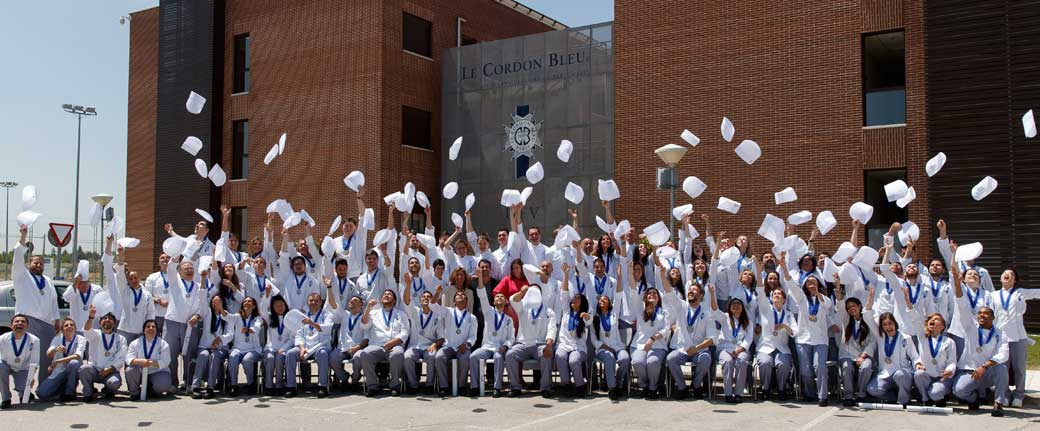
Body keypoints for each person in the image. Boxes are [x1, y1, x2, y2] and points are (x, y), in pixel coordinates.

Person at [952, 269, 1010, 416]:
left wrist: (985, 366)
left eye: (985, 313)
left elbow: (1003, 354)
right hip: (971, 371)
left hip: (988, 372)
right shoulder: (970, 326)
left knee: (1002, 368)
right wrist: (958, 284)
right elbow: (961, 304)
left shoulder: (1000, 333)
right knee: (958, 391)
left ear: (993, 316)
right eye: (979, 313)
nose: (981, 316)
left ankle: (998, 404)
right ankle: (973, 399)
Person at [779, 253, 832, 406]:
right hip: (803, 339)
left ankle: (823, 396)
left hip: (821, 339)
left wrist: (819, 294)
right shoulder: (801, 298)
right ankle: (810, 393)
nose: (811, 284)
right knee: (806, 370)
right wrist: (783, 267)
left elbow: (827, 306)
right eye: (808, 282)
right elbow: (790, 284)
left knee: (819, 366)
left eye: (813, 282)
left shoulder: (824, 299)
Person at [12, 226, 61, 384]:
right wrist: (23, 237)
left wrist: (57, 320)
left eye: (41, 263)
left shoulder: (48, 281)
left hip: (47, 323)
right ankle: (23, 389)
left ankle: (43, 388)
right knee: (26, 356)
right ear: (29, 263)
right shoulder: (22, 275)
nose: (39, 265)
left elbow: (54, 302)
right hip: (28, 320)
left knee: (47, 355)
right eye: (35, 263)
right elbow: (18, 257)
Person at [988, 268, 1039, 407]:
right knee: (1003, 368)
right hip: (1001, 338)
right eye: (1004, 273)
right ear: (1000, 278)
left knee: (1019, 368)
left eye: (1010, 274)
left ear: (1014, 280)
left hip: (1018, 337)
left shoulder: (1020, 293)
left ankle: (1019, 395)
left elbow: (1037, 292)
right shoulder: (993, 295)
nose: (1007, 275)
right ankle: (1004, 394)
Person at [863, 285, 916, 406]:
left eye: (890, 323)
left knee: (900, 375)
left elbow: (914, 356)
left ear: (895, 323)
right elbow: (867, 317)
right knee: (872, 390)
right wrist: (870, 298)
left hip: (902, 372)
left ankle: (903, 400)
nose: (888, 327)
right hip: (885, 373)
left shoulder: (905, 337)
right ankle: (893, 396)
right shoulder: (880, 336)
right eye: (885, 324)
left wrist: (917, 364)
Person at [161, 252, 208, 391]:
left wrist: (197, 316)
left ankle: (188, 383)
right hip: (173, 322)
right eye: (185, 268)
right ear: (179, 272)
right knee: (171, 354)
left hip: (190, 324)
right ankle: (172, 383)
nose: (189, 269)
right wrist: (174, 259)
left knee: (189, 355)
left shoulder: (199, 285)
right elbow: (170, 269)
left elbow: (202, 304)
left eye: (191, 268)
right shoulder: (174, 282)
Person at [752, 262, 796, 401]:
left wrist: (784, 326)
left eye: (779, 294)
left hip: (782, 347)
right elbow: (759, 290)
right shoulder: (766, 309)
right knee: (765, 363)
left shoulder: (788, 315)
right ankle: (765, 389)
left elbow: (794, 332)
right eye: (774, 294)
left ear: (783, 299)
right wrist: (759, 273)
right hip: (766, 346)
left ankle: (782, 389)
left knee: (783, 364)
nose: (776, 295)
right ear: (771, 298)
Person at [505, 284, 556, 398]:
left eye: (535, 292)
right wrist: (522, 292)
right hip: (523, 344)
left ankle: (545, 388)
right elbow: (512, 299)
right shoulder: (523, 307)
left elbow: (552, 329)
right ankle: (515, 387)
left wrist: (548, 345)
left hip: (540, 344)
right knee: (510, 354)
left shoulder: (548, 311)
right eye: (530, 292)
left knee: (547, 354)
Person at [550, 265, 591, 397]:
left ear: (582, 302)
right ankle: (565, 383)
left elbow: (589, 321)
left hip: (578, 348)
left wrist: (587, 316)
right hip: (564, 345)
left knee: (573, 360)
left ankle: (580, 386)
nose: (574, 300)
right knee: (560, 356)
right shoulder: (567, 312)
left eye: (577, 299)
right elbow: (564, 293)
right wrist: (566, 275)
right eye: (573, 299)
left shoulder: (584, 315)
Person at [470, 275, 515, 397]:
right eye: (497, 296)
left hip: (499, 348)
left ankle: (497, 387)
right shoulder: (488, 311)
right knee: (473, 356)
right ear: (494, 301)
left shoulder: (509, 320)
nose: (499, 297)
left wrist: (505, 346)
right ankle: (475, 386)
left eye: (502, 296)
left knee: (499, 358)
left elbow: (511, 338)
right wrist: (480, 278)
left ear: (506, 302)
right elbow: (483, 295)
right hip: (487, 346)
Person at [359, 289, 409, 397]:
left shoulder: (401, 314)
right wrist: (368, 307)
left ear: (394, 301)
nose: (386, 295)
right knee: (365, 354)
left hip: (394, 345)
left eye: (389, 294)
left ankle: (395, 385)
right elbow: (364, 325)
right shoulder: (373, 313)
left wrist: (392, 342)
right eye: (384, 294)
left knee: (398, 354)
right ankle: (372, 386)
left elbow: (405, 333)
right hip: (376, 345)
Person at [626, 273, 669, 399]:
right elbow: (633, 292)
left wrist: (653, 339)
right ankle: (644, 385)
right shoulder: (640, 309)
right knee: (638, 362)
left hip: (658, 346)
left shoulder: (664, 312)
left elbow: (666, 330)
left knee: (653, 362)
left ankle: (652, 387)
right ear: (645, 298)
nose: (651, 295)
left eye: (654, 294)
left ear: (658, 298)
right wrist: (630, 271)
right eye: (649, 294)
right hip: (639, 344)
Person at [286, 290, 335, 398]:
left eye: (316, 301)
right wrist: (302, 348)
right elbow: (298, 334)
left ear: (321, 302)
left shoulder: (327, 314)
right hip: (306, 346)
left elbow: (327, 329)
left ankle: (322, 386)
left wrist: (312, 323)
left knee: (322, 354)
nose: (313, 302)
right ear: (307, 302)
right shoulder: (302, 316)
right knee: (290, 353)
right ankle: (291, 387)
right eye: (311, 300)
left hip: (320, 345)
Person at [834, 281, 875, 407]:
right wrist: (837, 287)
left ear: (859, 306)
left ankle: (861, 393)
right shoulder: (846, 320)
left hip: (862, 354)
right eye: (849, 307)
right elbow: (840, 306)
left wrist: (863, 356)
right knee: (846, 366)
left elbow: (872, 341)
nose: (851, 309)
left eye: (854, 306)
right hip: (847, 354)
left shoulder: (867, 321)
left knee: (867, 366)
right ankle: (848, 395)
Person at [708, 286, 751, 403]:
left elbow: (749, 339)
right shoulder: (725, 317)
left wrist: (738, 350)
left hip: (741, 349)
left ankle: (738, 393)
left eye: (738, 304)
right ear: (730, 307)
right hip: (724, 348)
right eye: (733, 304)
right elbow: (714, 309)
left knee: (741, 361)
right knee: (727, 361)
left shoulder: (747, 321)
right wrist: (712, 293)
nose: (736, 306)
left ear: (742, 308)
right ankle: (728, 393)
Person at [402, 277, 445, 394]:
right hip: (415, 346)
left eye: (428, 297)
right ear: (420, 301)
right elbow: (406, 300)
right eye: (424, 297)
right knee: (407, 357)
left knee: (432, 356)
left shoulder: (437, 316)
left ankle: (429, 384)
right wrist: (408, 285)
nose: (426, 299)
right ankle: (413, 384)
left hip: (428, 346)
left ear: (432, 301)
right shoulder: (414, 311)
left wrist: (435, 345)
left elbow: (441, 337)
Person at [190, 295, 234, 399]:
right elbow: (201, 297)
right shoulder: (207, 312)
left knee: (214, 357)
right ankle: (195, 387)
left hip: (221, 348)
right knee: (203, 355)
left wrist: (220, 339)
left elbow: (231, 334)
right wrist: (203, 280)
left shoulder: (228, 316)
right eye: (214, 302)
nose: (216, 304)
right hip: (205, 346)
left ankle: (210, 387)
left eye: (218, 302)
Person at [111, 240, 156, 340]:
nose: (133, 280)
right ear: (127, 280)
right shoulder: (124, 289)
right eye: (130, 279)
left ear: (140, 278)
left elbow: (151, 312)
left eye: (135, 277)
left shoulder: (146, 294)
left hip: (141, 330)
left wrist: (149, 327)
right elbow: (120, 274)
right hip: (125, 329)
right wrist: (121, 254)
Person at [80, 306, 127, 402]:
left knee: (114, 382)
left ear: (114, 323)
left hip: (111, 371)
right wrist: (91, 317)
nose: (107, 320)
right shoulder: (95, 334)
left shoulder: (121, 339)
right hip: (95, 370)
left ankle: (108, 390)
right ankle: (89, 392)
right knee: (84, 369)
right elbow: (86, 330)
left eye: (110, 319)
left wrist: (110, 369)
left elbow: (122, 357)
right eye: (104, 318)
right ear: (100, 323)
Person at [436, 290, 477, 397]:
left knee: (465, 358)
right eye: (457, 295)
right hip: (449, 346)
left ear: (466, 301)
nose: (460, 295)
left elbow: (473, 336)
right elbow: (433, 307)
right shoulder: (448, 311)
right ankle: (444, 386)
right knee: (439, 356)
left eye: (463, 295)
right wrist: (437, 293)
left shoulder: (471, 317)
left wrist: (467, 344)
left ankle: (461, 386)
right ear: (454, 301)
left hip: (463, 347)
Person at [911, 312, 956, 407]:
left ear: (943, 326)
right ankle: (925, 399)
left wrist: (949, 370)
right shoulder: (923, 337)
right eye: (930, 319)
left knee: (935, 394)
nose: (932, 320)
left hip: (941, 378)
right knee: (918, 374)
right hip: (927, 376)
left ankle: (937, 397)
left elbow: (952, 361)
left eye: (936, 319)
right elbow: (915, 320)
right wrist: (909, 305)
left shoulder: (949, 341)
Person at [37, 317, 84, 401]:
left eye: (71, 325)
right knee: (42, 394)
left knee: (74, 363)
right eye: (66, 325)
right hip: (59, 371)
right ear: (62, 329)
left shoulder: (80, 339)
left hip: (73, 370)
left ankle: (70, 393)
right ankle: (62, 389)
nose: (69, 326)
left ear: (75, 328)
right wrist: (56, 349)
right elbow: (48, 354)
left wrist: (57, 361)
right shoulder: (57, 338)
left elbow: (77, 356)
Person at [125, 319, 173, 399]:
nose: (150, 328)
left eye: (153, 327)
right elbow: (128, 359)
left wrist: (150, 363)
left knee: (163, 385)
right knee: (130, 370)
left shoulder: (163, 344)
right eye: (148, 327)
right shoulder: (135, 343)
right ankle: (135, 393)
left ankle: (151, 391)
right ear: (144, 330)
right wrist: (141, 361)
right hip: (139, 372)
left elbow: (166, 361)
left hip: (157, 371)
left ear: (156, 330)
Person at [0, 314, 41, 409]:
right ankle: (6, 399)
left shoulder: (34, 340)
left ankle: (25, 392)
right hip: (6, 365)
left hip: (23, 368)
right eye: (17, 321)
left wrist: (31, 378)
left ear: (27, 326)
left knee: (25, 398)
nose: (20, 323)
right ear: (11, 326)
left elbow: (35, 362)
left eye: (23, 322)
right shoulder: (2, 338)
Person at [330, 294, 369, 393]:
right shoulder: (344, 314)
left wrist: (357, 347)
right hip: (343, 347)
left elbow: (367, 337)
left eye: (355, 300)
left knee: (358, 358)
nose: (351, 302)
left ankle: (355, 379)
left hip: (358, 348)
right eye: (350, 301)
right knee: (332, 358)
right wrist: (329, 287)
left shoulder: (364, 317)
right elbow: (333, 304)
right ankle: (344, 378)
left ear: (361, 305)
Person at [227, 296, 264, 396]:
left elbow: (256, 329)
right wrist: (222, 311)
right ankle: (233, 385)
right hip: (238, 348)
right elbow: (228, 317)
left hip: (253, 349)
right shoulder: (237, 316)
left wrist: (248, 330)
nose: (246, 303)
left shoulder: (258, 318)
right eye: (245, 301)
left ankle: (251, 384)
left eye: (249, 301)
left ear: (254, 305)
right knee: (233, 357)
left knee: (247, 360)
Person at [260, 293, 292, 395]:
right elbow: (262, 308)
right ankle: (268, 386)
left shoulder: (290, 318)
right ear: (273, 307)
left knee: (280, 358)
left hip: (284, 348)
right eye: (276, 306)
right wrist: (266, 295)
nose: (279, 308)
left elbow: (293, 338)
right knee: (269, 358)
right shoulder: (270, 318)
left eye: (281, 305)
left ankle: (279, 385)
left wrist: (284, 348)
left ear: (285, 305)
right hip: (270, 348)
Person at [145, 253, 173, 335]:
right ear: (158, 263)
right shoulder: (152, 277)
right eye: (162, 258)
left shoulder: (178, 277)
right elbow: (146, 295)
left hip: (171, 315)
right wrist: (158, 300)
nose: (165, 259)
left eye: (168, 257)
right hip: (155, 314)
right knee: (153, 338)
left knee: (168, 340)